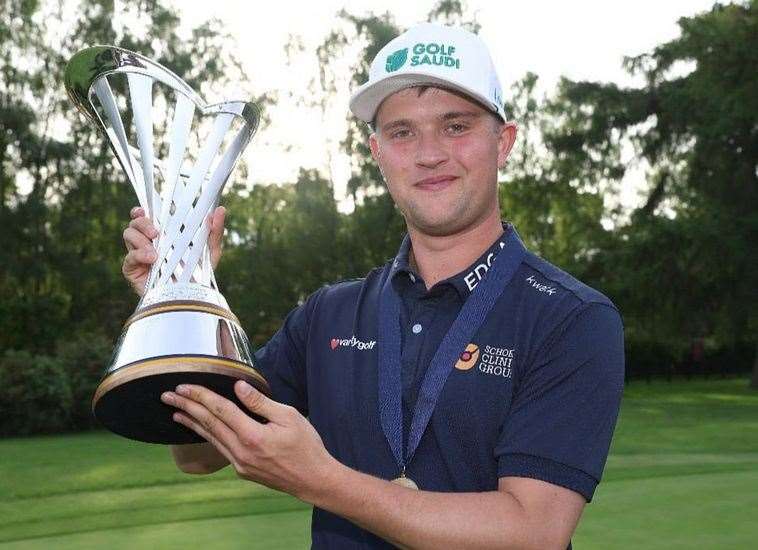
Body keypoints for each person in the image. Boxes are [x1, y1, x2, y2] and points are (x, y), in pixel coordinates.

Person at [122, 23, 624, 550]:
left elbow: (533, 531)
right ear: (377, 152)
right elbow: (198, 453)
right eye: (403, 132)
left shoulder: (571, 317)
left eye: (455, 126)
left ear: (503, 143)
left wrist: (322, 480)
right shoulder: (328, 314)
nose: (429, 154)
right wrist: (182, 296)